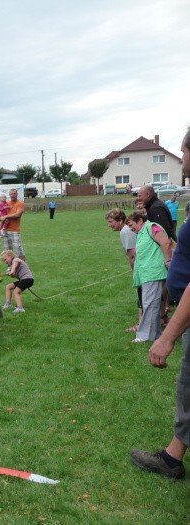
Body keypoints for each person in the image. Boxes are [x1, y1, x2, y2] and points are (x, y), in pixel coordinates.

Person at [130, 127, 190, 480]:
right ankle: (173, 455)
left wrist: (165, 337)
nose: (182, 160)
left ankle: (170, 460)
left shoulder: (153, 217)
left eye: (183, 152)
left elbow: (165, 241)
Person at [126, 210, 173, 342]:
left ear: (140, 221)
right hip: (148, 273)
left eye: (131, 225)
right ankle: (155, 334)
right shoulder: (143, 231)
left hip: (153, 273)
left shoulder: (152, 227)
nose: (131, 229)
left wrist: (168, 260)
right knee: (151, 304)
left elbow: (166, 242)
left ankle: (144, 336)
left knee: (149, 303)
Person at [106, 208, 140, 332]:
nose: (109, 225)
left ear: (120, 220)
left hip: (142, 268)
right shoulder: (127, 230)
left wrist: (135, 273)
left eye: (111, 222)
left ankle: (141, 324)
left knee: (142, 293)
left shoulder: (126, 231)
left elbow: (132, 255)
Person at [0, 188, 26, 259]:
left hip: (15, 230)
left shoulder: (20, 203)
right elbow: (0, 214)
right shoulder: (6, 203)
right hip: (5, 230)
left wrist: (5, 216)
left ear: (17, 194)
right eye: (11, 194)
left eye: (14, 193)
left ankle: (23, 267)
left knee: (18, 250)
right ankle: (11, 267)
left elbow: (18, 215)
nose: (13, 195)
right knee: (7, 251)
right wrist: (0, 217)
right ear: (9, 195)